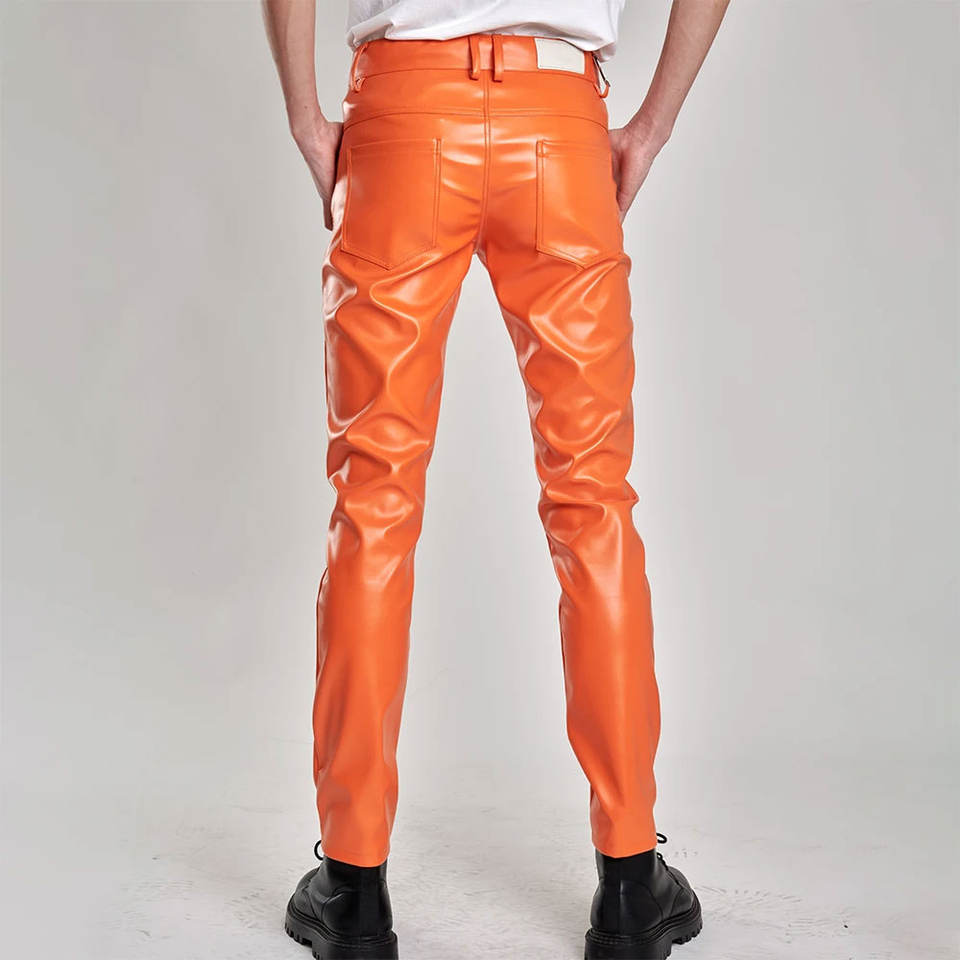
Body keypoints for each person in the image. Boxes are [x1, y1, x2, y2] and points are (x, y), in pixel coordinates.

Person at [262, 2, 730, 957]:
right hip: (559, 125)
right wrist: (651, 125)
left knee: (373, 503)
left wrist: (306, 115)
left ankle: (352, 887)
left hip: (401, 116)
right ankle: (631, 882)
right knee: (593, 502)